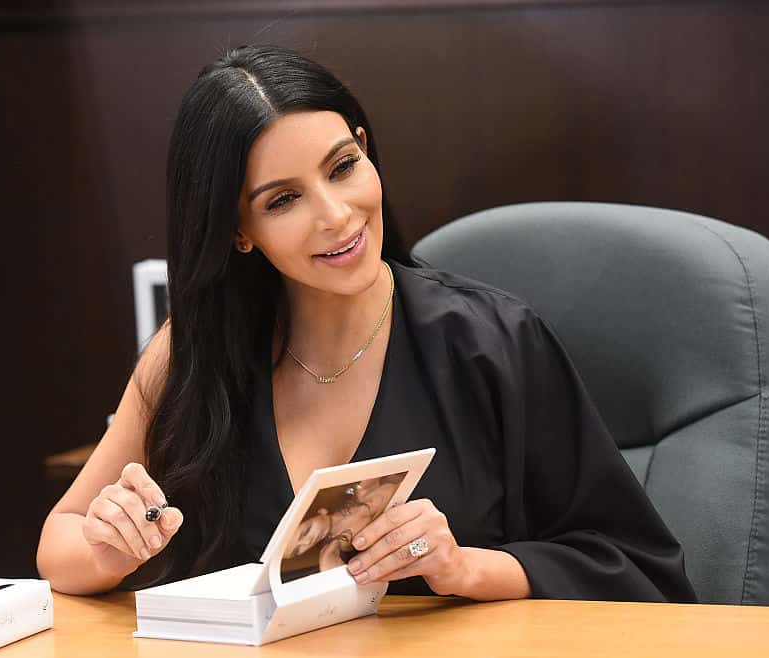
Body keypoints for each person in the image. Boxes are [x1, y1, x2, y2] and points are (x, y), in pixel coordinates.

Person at [36, 45, 696, 603]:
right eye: (285, 199)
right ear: (238, 230)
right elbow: (59, 541)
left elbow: (635, 566)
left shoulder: (493, 343)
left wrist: (463, 568)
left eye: (343, 167)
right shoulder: (191, 354)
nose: (337, 215)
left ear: (365, 146)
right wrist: (109, 549)